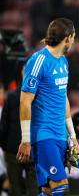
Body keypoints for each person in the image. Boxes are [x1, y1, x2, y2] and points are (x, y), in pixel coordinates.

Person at [16, 18, 79, 196]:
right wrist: (26, 139)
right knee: (60, 186)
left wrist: (72, 136)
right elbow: (24, 101)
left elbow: (63, 99)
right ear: (68, 37)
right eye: (73, 37)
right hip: (43, 135)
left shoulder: (63, 62)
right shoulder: (39, 60)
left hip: (60, 134)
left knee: (48, 190)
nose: (74, 41)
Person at [0, 66, 39, 196]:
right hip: (34, 147)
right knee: (34, 186)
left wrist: (4, 145)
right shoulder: (40, 95)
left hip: (12, 148)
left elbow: (4, 123)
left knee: (15, 187)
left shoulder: (12, 96)